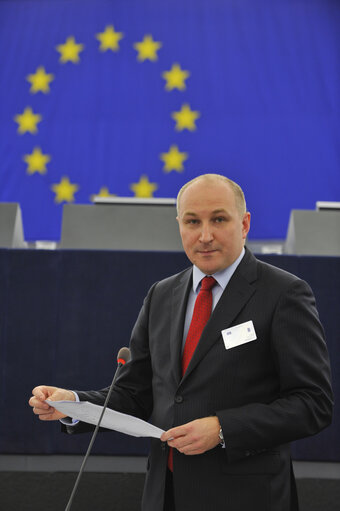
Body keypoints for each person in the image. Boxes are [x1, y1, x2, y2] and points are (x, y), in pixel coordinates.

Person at [29, 173, 333, 511]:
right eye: (192, 221)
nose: (205, 235)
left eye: (219, 219)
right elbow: (135, 393)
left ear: (244, 224)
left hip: (247, 497)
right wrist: (72, 404)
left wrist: (222, 429)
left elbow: (313, 403)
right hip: (165, 495)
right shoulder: (161, 295)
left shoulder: (283, 294)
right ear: (179, 225)